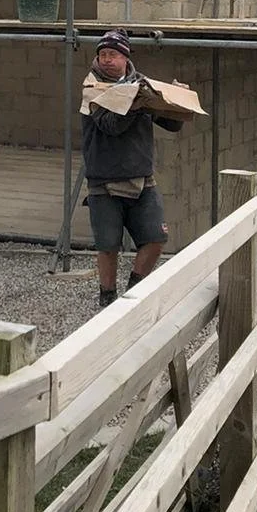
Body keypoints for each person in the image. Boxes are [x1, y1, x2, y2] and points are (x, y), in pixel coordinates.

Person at [80, 28, 185, 311]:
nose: (106, 60)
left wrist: (175, 102)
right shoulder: (92, 89)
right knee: (108, 245)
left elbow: (172, 125)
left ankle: (132, 293)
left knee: (155, 238)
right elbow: (111, 126)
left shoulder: (140, 85)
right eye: (102, 54)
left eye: (113, 54)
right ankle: (107, 299)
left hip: (142, 178)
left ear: (126, 57)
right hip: (104, 181)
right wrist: (137, 104)